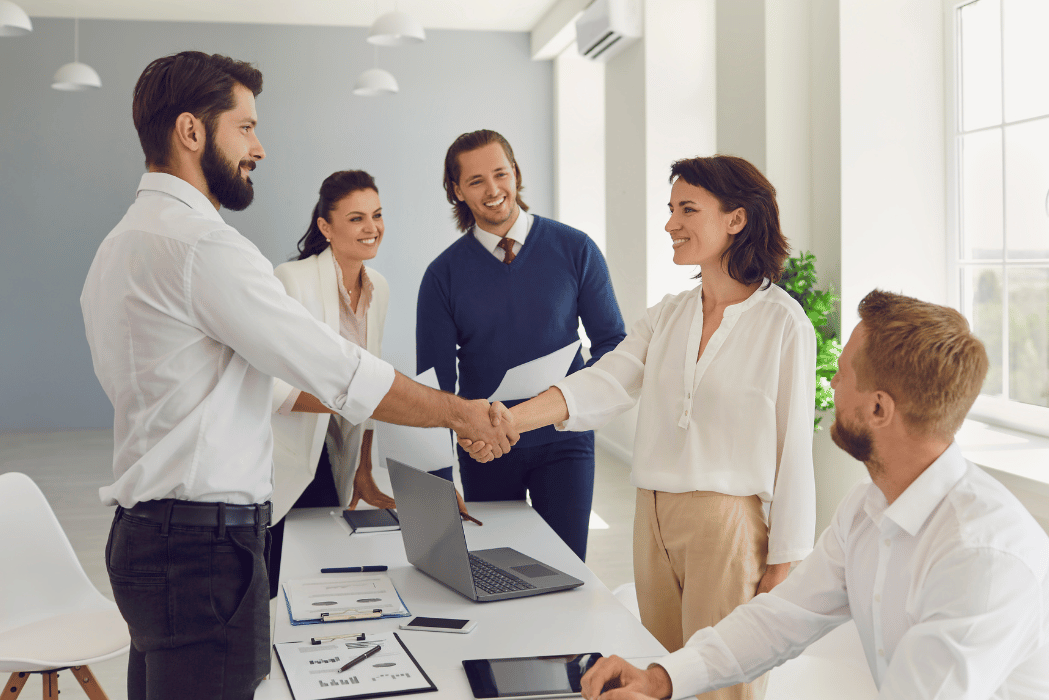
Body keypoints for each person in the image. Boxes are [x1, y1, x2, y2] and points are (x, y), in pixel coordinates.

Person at [81, 51, 516, 700]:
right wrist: (463, 413)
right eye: (246, 127)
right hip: (201, 550)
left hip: (146, 538)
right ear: (191, 131)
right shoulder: (205, 249)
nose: (259, 146)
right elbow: (339, 371)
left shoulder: (123, 243)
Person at [577, 290, 1049, 700]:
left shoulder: (982, 558)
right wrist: (662, 678)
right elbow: (779, 620)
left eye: (844, 372)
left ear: (880, 409)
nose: (832, 381)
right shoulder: (868, 510)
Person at [478, 155, 816, 700]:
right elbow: (604, 381)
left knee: (721, 686)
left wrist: (784, 564)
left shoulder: (784, 324)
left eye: (688, 209)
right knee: (658, 676)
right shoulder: (670, 313)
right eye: (670, 209)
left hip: (725, 525)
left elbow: (795, 449)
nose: (670, 224)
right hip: (652, 516)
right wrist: (509, 420)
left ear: (736, 219)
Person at [417, 129, 626, 561]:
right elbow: (434, 388)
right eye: (476, 181)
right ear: (457, 191)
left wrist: (576, 404)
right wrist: (439, 480)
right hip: (486, 448)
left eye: (501, 173)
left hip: (564, 441)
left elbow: (612, 346)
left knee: (566, 570)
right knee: (497, 568)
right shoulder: (443, 276)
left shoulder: (576, 249)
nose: (493, 190)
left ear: (516, 174)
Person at [267, 170, 476, 598]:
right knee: (284, 569)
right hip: (290, 453)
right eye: (357, 218)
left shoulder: (377, 286)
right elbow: (275, 388)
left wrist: (363, 471)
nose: (372, 228)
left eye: (377, 215)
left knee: (322, 567)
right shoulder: (292, 279)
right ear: (325, 227)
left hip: (337, 451)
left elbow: (370, 374)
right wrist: (357, 402)